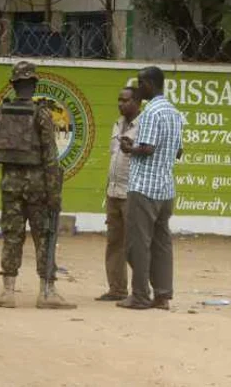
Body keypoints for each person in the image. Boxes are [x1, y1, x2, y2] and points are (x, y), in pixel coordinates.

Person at [0, 61, 75, 309]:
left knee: (12, 236)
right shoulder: (42, 113)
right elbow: (50, 155)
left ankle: (8, 292)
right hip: (38, 186)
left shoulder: (0, 113)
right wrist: (54, 192)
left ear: (13, 85)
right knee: (44, 237)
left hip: (10, 185)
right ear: (34, 84)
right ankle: (46, 292)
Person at [118, 66, 184, 310]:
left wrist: (129, 148)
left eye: (140, 83)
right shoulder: (175, 113)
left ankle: (140, 295)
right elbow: (178, 150)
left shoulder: (149, 113)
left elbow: (147, 148)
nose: (138, 88)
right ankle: (163, 295)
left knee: (138, 244)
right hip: (166, 188)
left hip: (144, 187)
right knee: (161, 243)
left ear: (148, 84)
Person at [95, 87, 141, 301]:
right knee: (114, 242)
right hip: (113, 191)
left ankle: (142, 291)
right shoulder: (117, 124)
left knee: (135, 244)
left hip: (132, 191)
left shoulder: (143, 127)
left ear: (137, 103)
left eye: (126, 100)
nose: (121, 104)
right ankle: (117, 289)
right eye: (119, 100)